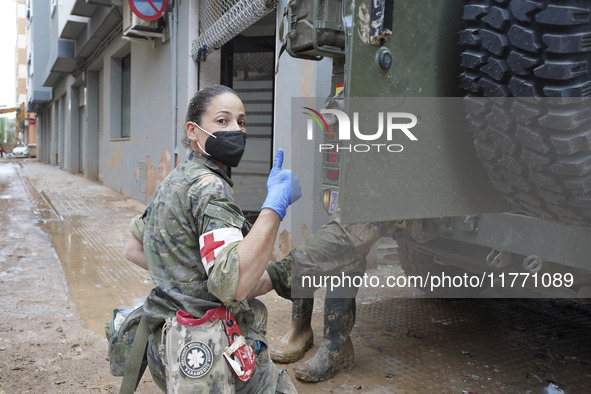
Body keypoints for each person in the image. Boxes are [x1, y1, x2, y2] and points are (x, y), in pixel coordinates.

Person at [134, 84, 301, 393]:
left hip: (167, 343)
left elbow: (134, 247)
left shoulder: (177, 178)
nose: (236, 130)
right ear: (193, 131)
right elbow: (234, 285)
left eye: (242, 121)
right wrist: (274, 208)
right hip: (212, 349)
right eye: (223, 121)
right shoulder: (211, 188)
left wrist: (183, 279)